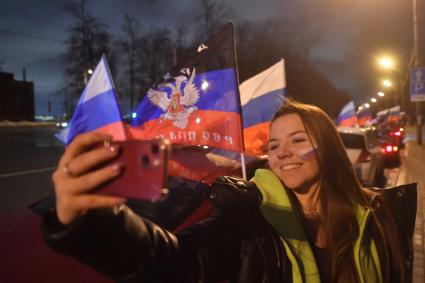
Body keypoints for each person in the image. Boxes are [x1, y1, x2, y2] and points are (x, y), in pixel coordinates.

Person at [42, 99, 414, 283]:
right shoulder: (244, 217)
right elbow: (176, 261)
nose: (281, 152)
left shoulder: (379, 212)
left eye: (298, 139)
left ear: (329, 148)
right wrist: (98, 224)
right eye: (272, 146)